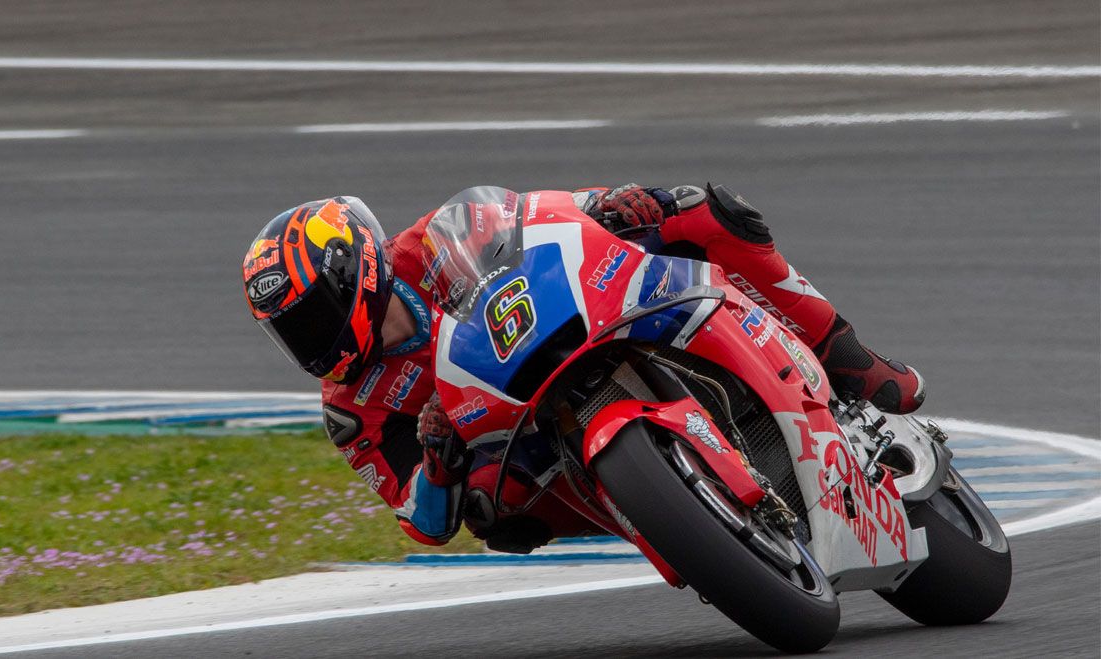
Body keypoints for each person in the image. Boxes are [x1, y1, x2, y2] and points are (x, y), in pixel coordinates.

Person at [241, 184, 925, 551]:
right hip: (511, 444)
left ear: (353, 271)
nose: (307, 343)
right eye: (287, 332)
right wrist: (436, 455)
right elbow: (421, 521)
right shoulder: (349, 407)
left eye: (308, 315)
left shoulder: (427, 245)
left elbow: (544, 218)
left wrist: (615, 205)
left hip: (566, 328)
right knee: (493, 520)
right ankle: (684, 520)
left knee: (706, 211)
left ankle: (849, 361)